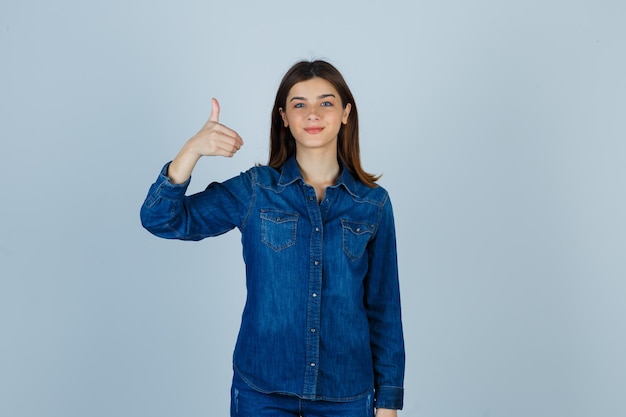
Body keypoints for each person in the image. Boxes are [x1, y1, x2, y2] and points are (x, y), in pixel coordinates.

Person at [140, 60, 405, 417]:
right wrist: (191, 151)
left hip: (345, 395)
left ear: (345, 113)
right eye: (299, 104)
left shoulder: (373, 204)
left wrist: (388, 402)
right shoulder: (256, 190)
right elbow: (161, 219)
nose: (313, 113)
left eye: (326, 102)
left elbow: (384, 307)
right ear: (284, 117)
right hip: (261, 393)